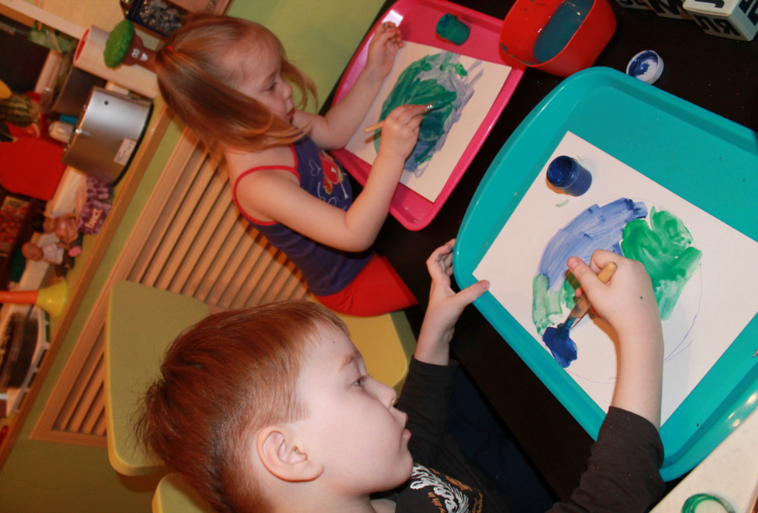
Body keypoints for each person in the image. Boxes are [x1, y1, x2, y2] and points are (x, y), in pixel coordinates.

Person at [137, 242, 666, 513]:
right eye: (356, 382)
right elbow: (611, 503)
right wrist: (640, 334)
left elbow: (418, 440)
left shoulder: (353, 484)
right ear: (292, 454)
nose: (386, 391)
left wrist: (433, 334)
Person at [153, 13, 423, 316]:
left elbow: (333, 131)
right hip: (354, 282)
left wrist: (374, 70)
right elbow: (354, 235)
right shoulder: (258, 185)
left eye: (279, 74)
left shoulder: (274, 122)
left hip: (374, 225)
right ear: (228, 113)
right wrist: (391, 155)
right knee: (444, 271)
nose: (286, 89)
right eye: (270, 86)